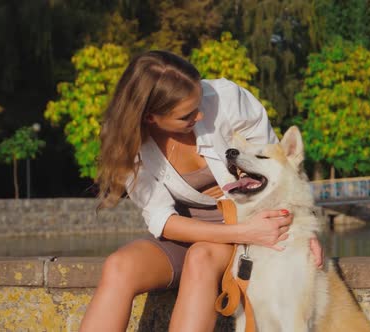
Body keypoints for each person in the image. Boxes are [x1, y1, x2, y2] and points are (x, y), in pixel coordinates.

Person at [79, 50, 324, 332]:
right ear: (150, 118)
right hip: (196, 229)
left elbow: (277, 172)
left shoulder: (227, 100)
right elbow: (163, 220)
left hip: (247, 221)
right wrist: (242, 233)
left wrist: (303, 227)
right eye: (187, 115)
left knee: (201, 258)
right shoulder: (126, 143)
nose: (201, 113)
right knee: (118, 266)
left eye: (198, 100)